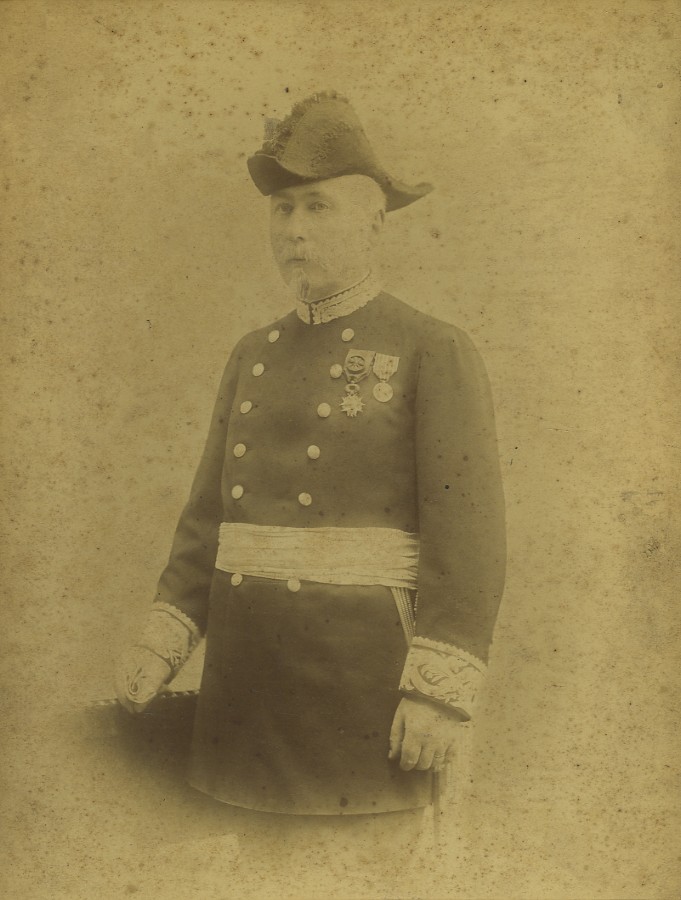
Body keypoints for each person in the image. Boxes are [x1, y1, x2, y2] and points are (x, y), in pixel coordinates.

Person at [115, 91, 506, 836]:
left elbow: (469, 539)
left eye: (317, 208)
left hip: (360, 688)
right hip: (241, 686)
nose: (294, 230)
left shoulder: (431, 349)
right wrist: (162, 643)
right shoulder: (251, 354)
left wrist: (437, 694)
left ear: (374, 222)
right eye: (283, 210)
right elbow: (207, 522)